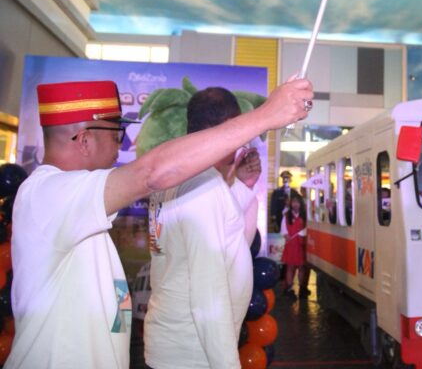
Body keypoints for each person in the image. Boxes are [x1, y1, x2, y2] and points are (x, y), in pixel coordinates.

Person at [6, 77, 312, 369]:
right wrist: (265, 116)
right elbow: (151, 173)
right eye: (116, 134)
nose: (120, 145)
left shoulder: (69, 203)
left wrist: (239, 187)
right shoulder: (47, 194)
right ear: (85, 140)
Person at [145, 87, 262, 368]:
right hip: (194, 352)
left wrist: (241, 185)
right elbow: (207, 297)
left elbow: (225, 238)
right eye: (239, 128)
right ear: (227, 127)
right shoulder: (204, 187)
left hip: (179, 343)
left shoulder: (179, 174)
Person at [280, 193, 309, 299]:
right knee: (290, 267)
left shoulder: (305, 216)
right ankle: (289, 288)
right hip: (291, 245)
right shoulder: (287, 216)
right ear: (291, 203)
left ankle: (302, 289)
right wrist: (286, 235)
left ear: (301, 203)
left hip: (302, 245)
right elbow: (283, 230)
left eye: (297, 202)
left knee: (302, 267)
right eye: (293, 202)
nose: (295, 204)